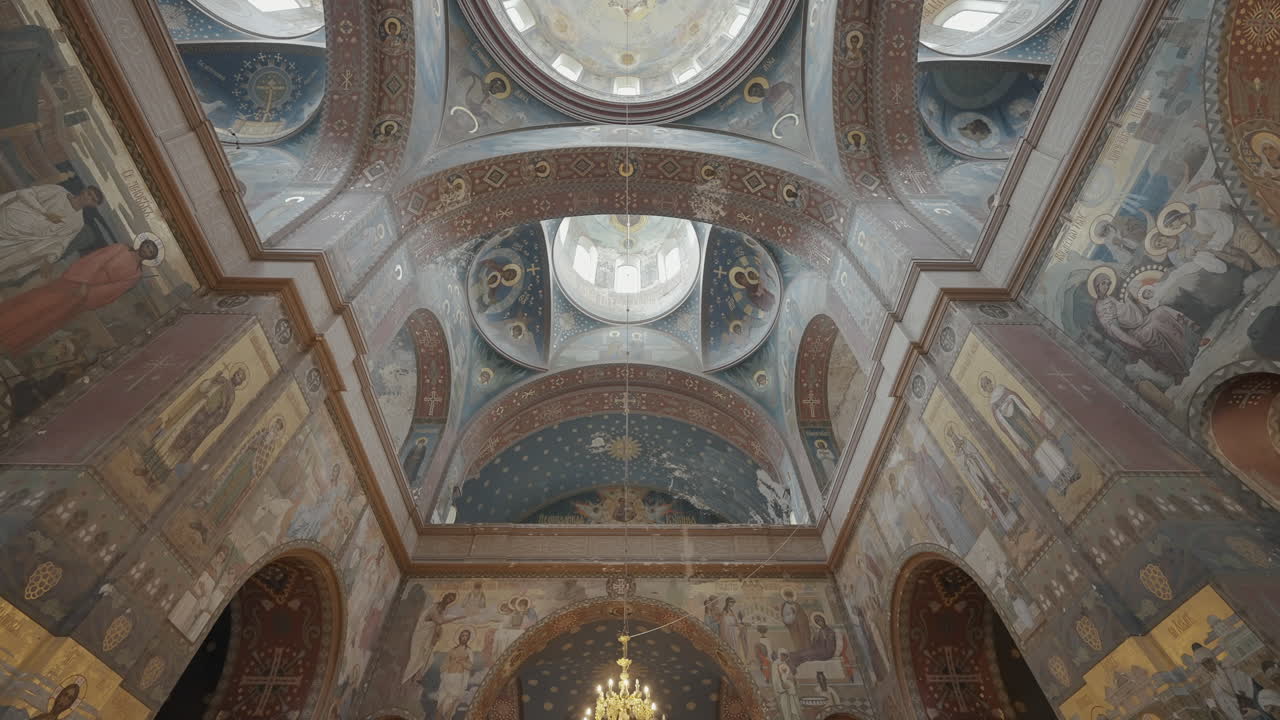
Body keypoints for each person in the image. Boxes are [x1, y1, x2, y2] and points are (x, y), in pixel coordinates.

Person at [0, 236, 159, 355]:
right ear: (142, 243)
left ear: (150, 257)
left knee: (51, 317)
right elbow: (95, 260)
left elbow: (114, 290)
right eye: (147, 246)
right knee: (39, 302)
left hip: (85, 297)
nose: (147, 250)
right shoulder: (120, 248)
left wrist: (88, 296)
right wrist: (83, 282)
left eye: (150, 251)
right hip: (75, 282)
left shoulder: (136, 275)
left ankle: (11, 339)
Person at [979, 374, 1079, 495]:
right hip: (1020, 432)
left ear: (991, 382)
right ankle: (1061, 484)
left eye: (988, 383)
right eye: (985, 386)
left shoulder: (1003, 389)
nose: (988, 386)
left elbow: (1017, 400)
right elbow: (1003, 425)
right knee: (1040, 457)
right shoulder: (993, 405)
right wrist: (1017, 438)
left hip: (1028, 423)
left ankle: (1070, 474)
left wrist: (1019, 408)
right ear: (985, 390)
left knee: (1048, 447)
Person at [1091, 269, 1197, 381]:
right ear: (1097, 287)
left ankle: (1191, 346)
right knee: (1155, 326)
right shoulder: (1102, 307)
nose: (1107, 286)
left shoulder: (1111, 297)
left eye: (1108, 283)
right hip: (1136, 333)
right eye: (1103, 283)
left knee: (1161, 311)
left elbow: (1134, 308)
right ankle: (1180, 366)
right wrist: (1135, 344)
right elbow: (1116, 331)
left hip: (1144, 321)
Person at [0, 185, 103, 283]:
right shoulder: (58, 191)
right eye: (89, 194)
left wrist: (49, 260)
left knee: (19, 257)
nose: (88, 198)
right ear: (84, 190)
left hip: (31, 240)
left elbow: (62, 243)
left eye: (93, 199)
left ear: (94, 205)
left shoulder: (78, 223)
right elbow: (25, 193)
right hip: (17, 219)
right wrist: (45, 213)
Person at [402, 592, 462, 686]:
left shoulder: (443, 610)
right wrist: (456, 618)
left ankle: (416, 678)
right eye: (449, 598)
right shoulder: (434, 607)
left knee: (427, 658)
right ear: (444, 597)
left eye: (451, 600)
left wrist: (437, 634)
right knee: (417, 657)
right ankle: (406, 678)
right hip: (421, 635)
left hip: (429, 636)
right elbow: (439, 621)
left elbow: (438, 624)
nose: (449, 600)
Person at [434, 629, 474, 720]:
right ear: (459, 637)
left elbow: (470, 666)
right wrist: (450, 663)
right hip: (447, 678)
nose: (464, 637)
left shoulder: (469, 651)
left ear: (468, 638)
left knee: (451, 703)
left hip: (458, 679)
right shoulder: (452, 650)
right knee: (441, 702)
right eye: (463, 635)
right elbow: (443, 666)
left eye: (466, 636)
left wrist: (461, 661)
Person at [772, 650, 802, 720]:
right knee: (786, 708)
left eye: (785, 656)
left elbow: (790, 675)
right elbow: (775, 678)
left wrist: (794, 681)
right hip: (783, 690)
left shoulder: (785, 664)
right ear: (779, 655)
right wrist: (782, 686)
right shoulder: (775, 664)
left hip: (790, 689)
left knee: (793, 706)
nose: (784, 657)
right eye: (783, 655)